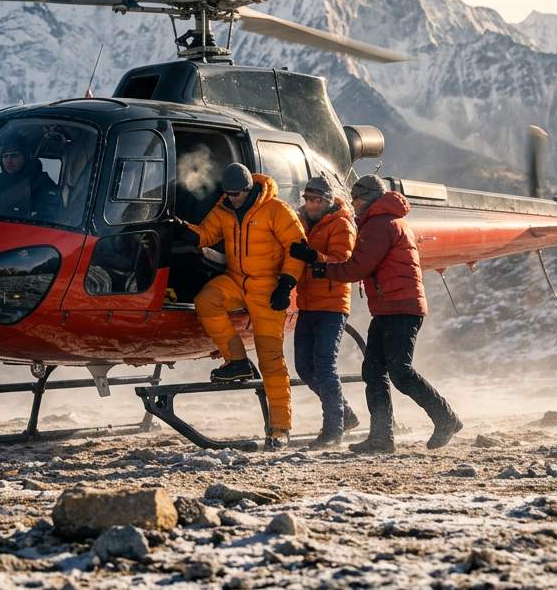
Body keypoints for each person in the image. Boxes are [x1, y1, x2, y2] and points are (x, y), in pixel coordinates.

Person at [290, 174, 462, 453]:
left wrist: (322, 268)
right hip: (390, 306)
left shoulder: (380, 225)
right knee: (374, 371)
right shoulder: (384, 221)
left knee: (399, 372)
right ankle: (382, 437)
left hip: (399, 306)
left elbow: (358, 267)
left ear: (367, 198)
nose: (353, 204)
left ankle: (445, 418)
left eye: (356, 199)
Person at [174, 163, 306, 449]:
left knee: (271, 358)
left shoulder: (277, 210)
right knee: (206, 300)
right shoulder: (224, 209)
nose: (230, 197)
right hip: (236, 280)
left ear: (248, 189)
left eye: (235, 193)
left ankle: (280, 428)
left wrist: (286, 284)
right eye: (227, 193)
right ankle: (236, 362)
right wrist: (186, 231)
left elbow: (297, 248)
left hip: (268, 288)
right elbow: (207, 234)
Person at [292, 176, 361, 448]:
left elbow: (343, 262)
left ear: (328, 200)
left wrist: (313, 256)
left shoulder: (341, 224)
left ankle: (333, 430)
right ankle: (346, 415)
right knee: (304, 367)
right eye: (308, 199)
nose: (310, 204)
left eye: (316, 200)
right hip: (307, 303)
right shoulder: (303, 222)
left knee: (324, 366)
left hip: (332, 305)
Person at [0, 133, 58, 220]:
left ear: (26, 157)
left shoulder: (43, 182)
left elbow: (50, 216)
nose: (8, 161)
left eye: (14, 155)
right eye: (5, 156)